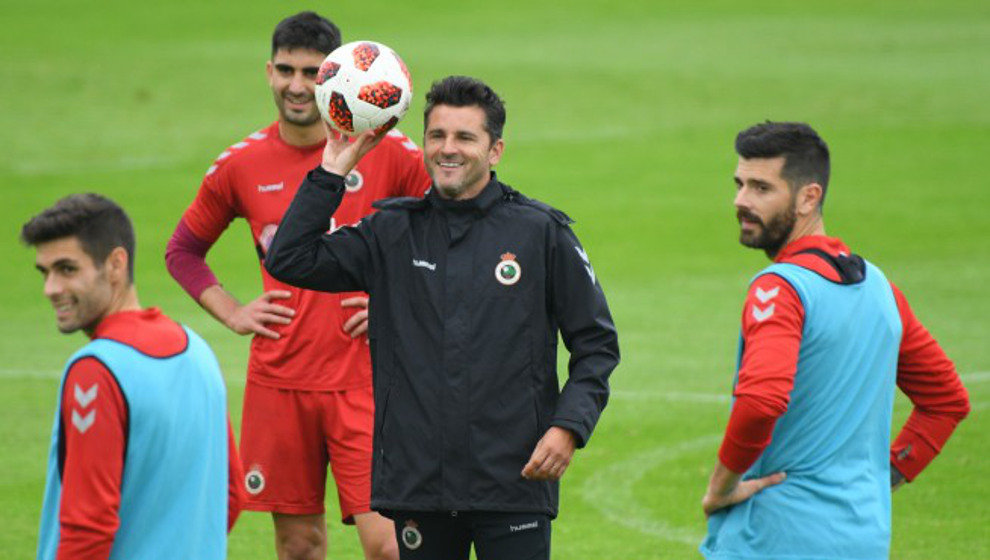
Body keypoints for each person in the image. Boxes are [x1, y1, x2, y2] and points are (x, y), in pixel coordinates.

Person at [263, 75, 620, 560]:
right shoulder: (390, 232)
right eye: (437, 136)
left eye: (465, 137)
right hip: (420, 485)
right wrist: (333, 169)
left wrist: (568, 427)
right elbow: (290, 259)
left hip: (513, 479)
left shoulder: (540, 233)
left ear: (495, 150)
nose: (447, 149)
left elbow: (596, 343)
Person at [164, 11, 430, 560]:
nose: (295, 85)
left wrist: (393, 300)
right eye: (285, 69)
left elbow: (450, 241)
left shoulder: (394, 155)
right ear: (268, 71)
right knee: (299, 546)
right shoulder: (240, 165)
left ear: (334, 76)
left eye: (311, 72)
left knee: (387, 546)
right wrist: (233, 312)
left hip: (367, 378)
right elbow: (182, 251)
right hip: (280, 381)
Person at [700, 122, 971, 559]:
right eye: (740, 184)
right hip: (862, 536)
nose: (741, 201)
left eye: (761, 188)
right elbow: (946, 400)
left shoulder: (780, 288)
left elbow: (762, 400)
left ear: (809, 196)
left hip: (775, 537)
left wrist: (720, 488)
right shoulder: (879, 288)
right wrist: (881, 481)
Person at [24, 193, 243, 559]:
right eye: (45, 273)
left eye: (67, 269)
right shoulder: (197, 351)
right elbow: (230, 495)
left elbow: (88, 528)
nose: (51, 289)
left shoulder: (95, 372)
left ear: (115, 264)